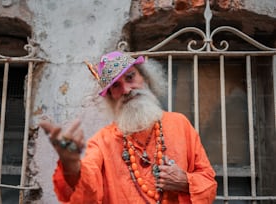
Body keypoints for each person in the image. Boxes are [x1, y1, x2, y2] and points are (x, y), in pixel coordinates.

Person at [39, 51, 217, 204]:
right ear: (111, 97)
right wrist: (71, 166)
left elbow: (209, 182)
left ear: (145, 78)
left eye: (130, 77)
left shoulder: (180, 124)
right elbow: (87, 193)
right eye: (116, 86)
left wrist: (185, 182)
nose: (126, 90)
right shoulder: (102, 142)